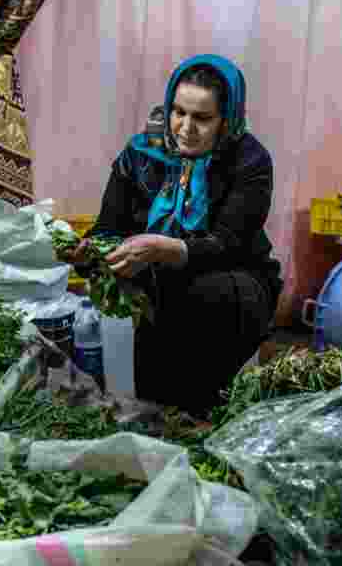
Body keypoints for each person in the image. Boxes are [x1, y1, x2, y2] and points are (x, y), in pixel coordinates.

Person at [62, 54, 282, 417]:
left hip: (233, 278)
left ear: (226, 120)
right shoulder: (139, 155)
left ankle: (199, 410)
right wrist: (90, 255)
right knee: (149, 294)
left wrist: (162, 248)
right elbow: (107, 230)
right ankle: (159, 411)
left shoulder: (249, 161)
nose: (185, 128)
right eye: (178, 112)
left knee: (192, 294)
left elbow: (226, 243)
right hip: (151, 278)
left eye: (202, 118)